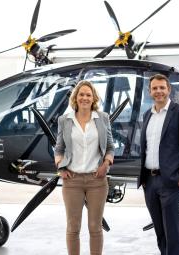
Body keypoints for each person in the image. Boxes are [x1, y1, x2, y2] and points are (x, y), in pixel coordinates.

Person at [138, 74, 179, 255]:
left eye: (162, 88)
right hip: (150, 181)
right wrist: (145, 180)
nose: (158, 92)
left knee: (172, 232)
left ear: (169, 90)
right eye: (154, 88)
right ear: (149, 92)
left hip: (171, 181)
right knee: (159, 232)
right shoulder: (147, 115)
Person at [54, 80, 114, 255]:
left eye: (88, 94)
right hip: (72, 181)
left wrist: (106, 164)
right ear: (76, 98)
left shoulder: (102, 118)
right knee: (73, 227)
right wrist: (61, 168)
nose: (85, 98)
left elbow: (110, 147)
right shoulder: (64, 120)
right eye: (81, 94)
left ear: (93, 98)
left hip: (97, 180)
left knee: (95, 227)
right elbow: (59, 149)